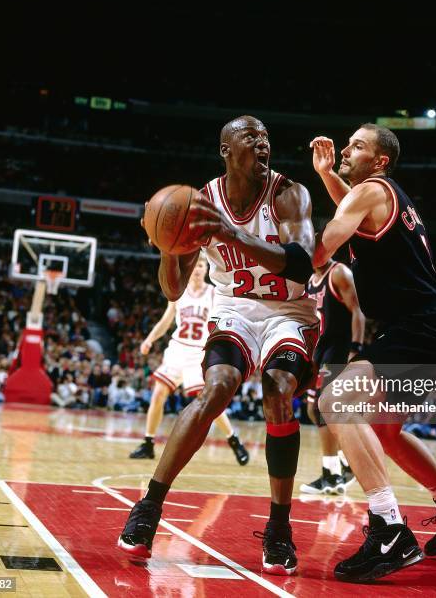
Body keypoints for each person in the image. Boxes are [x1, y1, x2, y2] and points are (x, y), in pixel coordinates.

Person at [118, 115, 319, 576]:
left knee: (278, 390)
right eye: (251, 138)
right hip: (233, 309)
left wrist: (231, 235)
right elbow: (171, 290)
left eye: (266, 137)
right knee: (217, 387)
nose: (262, 144)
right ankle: (149, 507)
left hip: (290, 312)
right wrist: (171, 244)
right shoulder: (200, 202)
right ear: (226, 150)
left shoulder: (290, 194)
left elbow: (301, 265)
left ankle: (279, 526)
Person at [310, 125, 436, 582]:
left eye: (357, 146)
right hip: (434, 327)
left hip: (420, 328)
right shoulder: (379, 194)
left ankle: (389, 528)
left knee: (336, 401)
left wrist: (267, 249)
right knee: (385, 431)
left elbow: (322, 247)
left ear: (380, 160)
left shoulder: (371, 189)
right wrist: (329, 176)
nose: (346, 148)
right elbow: (349, 210)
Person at [129, 255, 249, 465]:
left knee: (208, 400)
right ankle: (148, 443)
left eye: (201, 265)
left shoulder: (213, 293)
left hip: (199, 352)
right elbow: (166, 320)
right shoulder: (179, 293)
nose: (197, 269)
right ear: (189, 268)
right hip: (177, 349)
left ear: (206, 268)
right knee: (158, 393)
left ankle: (233, 439)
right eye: (194, 265)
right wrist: (149, 339)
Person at [300, 258, 365, 495]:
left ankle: (332, 474)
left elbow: (358, 311)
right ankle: (343, 465)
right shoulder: (310, 279)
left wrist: (355, 349)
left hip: (337, 349)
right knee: (311, 409)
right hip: (319, 350)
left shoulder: (338, 273)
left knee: (323, 409)